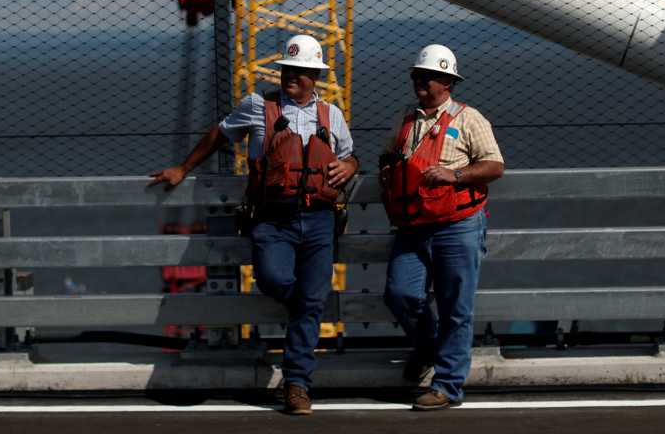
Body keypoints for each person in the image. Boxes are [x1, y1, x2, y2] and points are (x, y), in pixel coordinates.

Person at [149, 33, 357, 416]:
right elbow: (218, 134)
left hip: (319, 219)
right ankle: (306, 310)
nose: (291, 76)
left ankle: (296, 385)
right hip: (271, 219)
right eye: (287, 70)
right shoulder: (257, 106)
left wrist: (350, 165)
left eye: (300, 71)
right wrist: (183, 167)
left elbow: (349, 157)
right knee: (275, 280)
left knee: (310, 301)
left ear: (315, 76)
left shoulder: (332, 114)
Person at [378, 44, 504, 411]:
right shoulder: (406, 118)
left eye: (427, 76)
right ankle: (428, 347)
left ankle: (448, 384)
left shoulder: (469, 119)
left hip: (457, 225)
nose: (419, 81)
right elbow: (389, 153)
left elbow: (494, 166)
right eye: (416, 75)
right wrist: (387, 167)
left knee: (455, 306)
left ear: (447, 83)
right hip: (412, 224)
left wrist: (456, 174)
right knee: (400, 293)